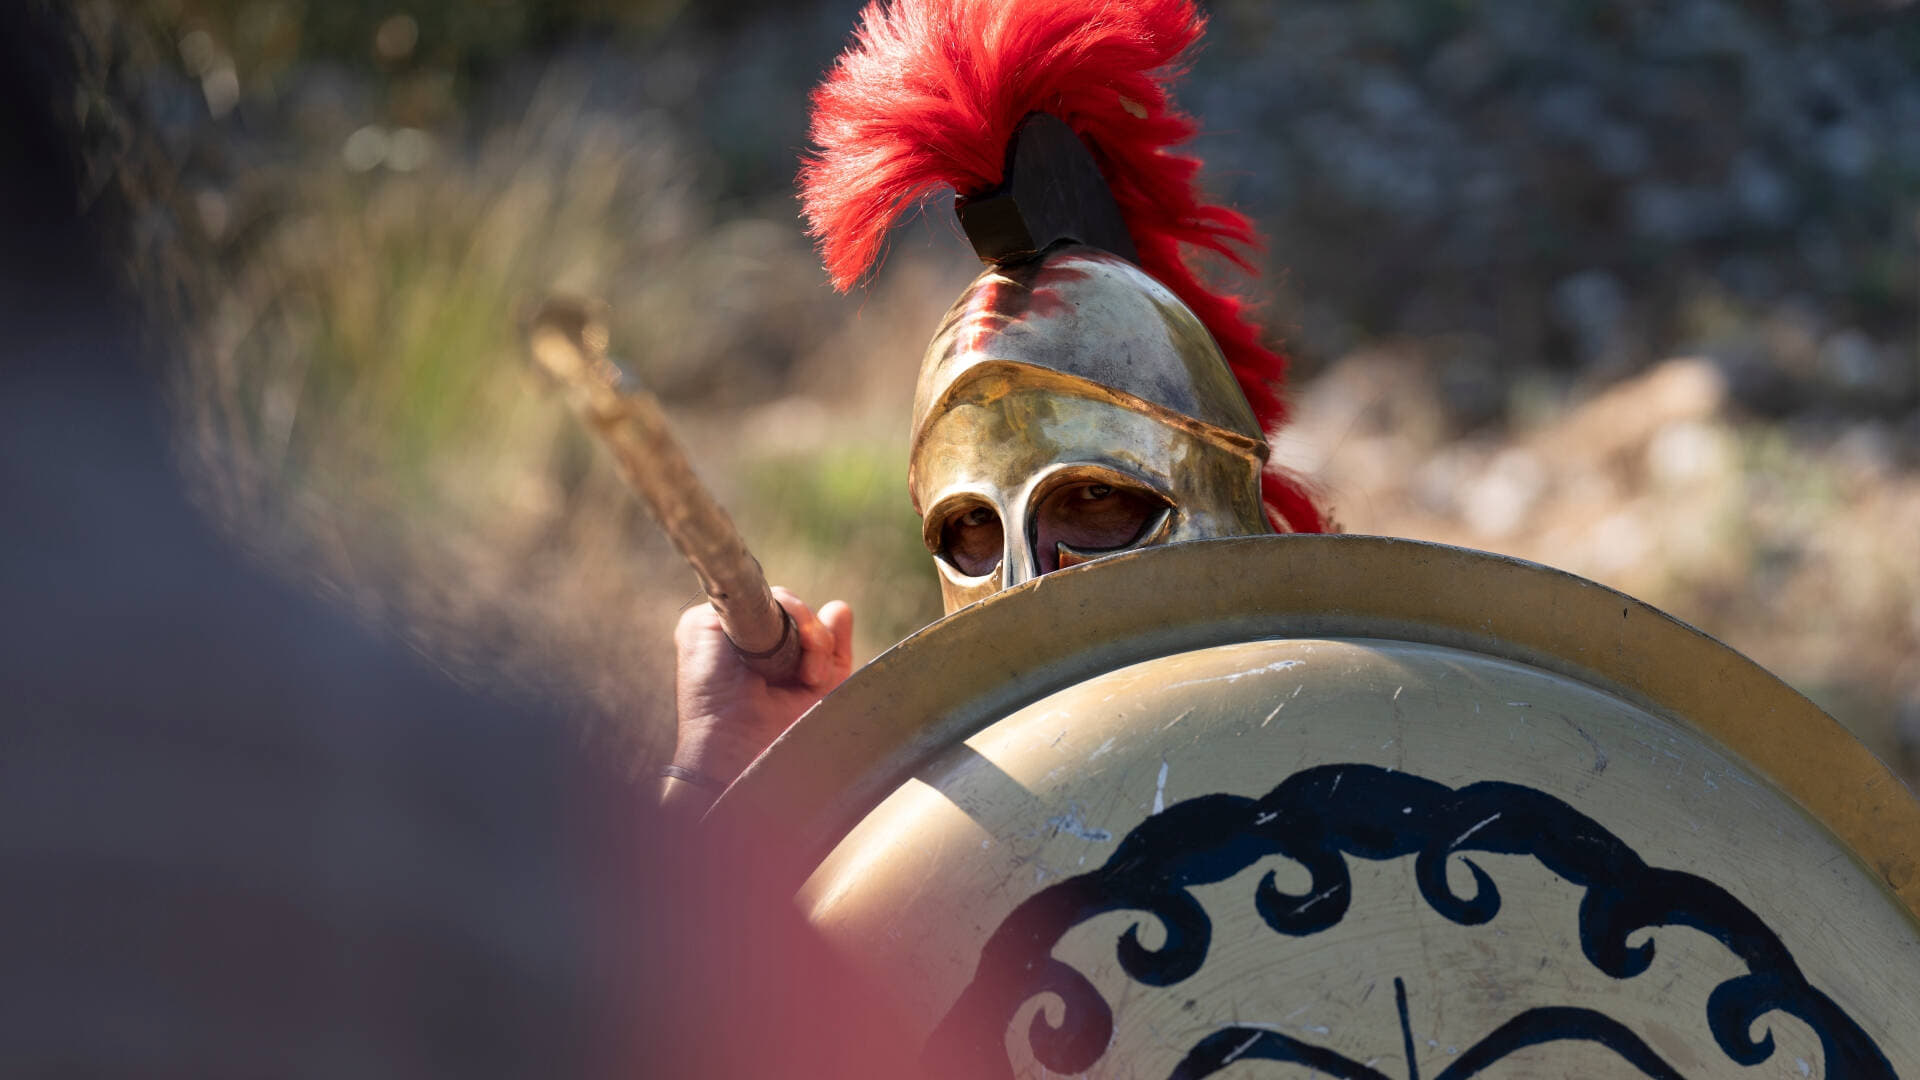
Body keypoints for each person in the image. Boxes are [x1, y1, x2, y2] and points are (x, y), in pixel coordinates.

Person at [659, 0, 1331, 816]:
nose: (1024, 589)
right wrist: (726, 767)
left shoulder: (1386, 741)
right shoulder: (926, 838)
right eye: (973, 526)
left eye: (1093, 495)